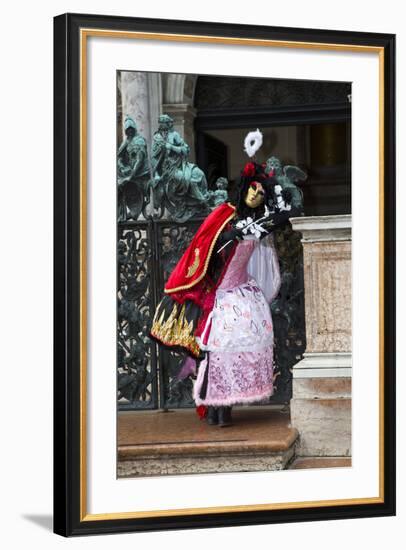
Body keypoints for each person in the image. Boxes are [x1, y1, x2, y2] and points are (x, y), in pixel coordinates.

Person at [150, 157, 300, 427]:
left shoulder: (259, 222)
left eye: (262, 192)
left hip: (243, 292)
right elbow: (204, 248)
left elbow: (276, 222)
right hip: (219, 292)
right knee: (220, 346)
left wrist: (282, 207)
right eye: (253, 188)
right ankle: (215, 407)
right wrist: (226, 238)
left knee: (244, 338)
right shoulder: (223, 215)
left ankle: (226, 405)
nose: (256, 194)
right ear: (244, 188)